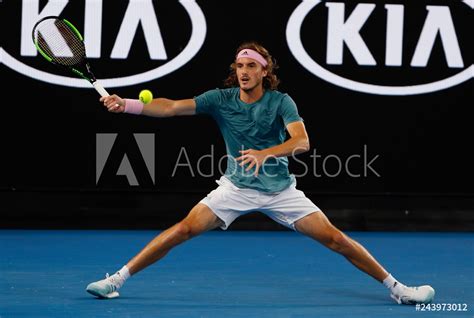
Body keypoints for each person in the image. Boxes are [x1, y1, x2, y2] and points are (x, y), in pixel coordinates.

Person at [86, 42, 435, 305]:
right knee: (184, 229)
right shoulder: (220, 99)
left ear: (264, 71)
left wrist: (266, 153)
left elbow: (302, 142)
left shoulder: (281, 102)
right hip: (235, 187)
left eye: (251, 65)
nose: (243, 71)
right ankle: (116, 280)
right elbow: (171, 108)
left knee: (336, 240)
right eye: (239, 65)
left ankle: (398, 290)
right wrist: (129, 105)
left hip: (280, 191)